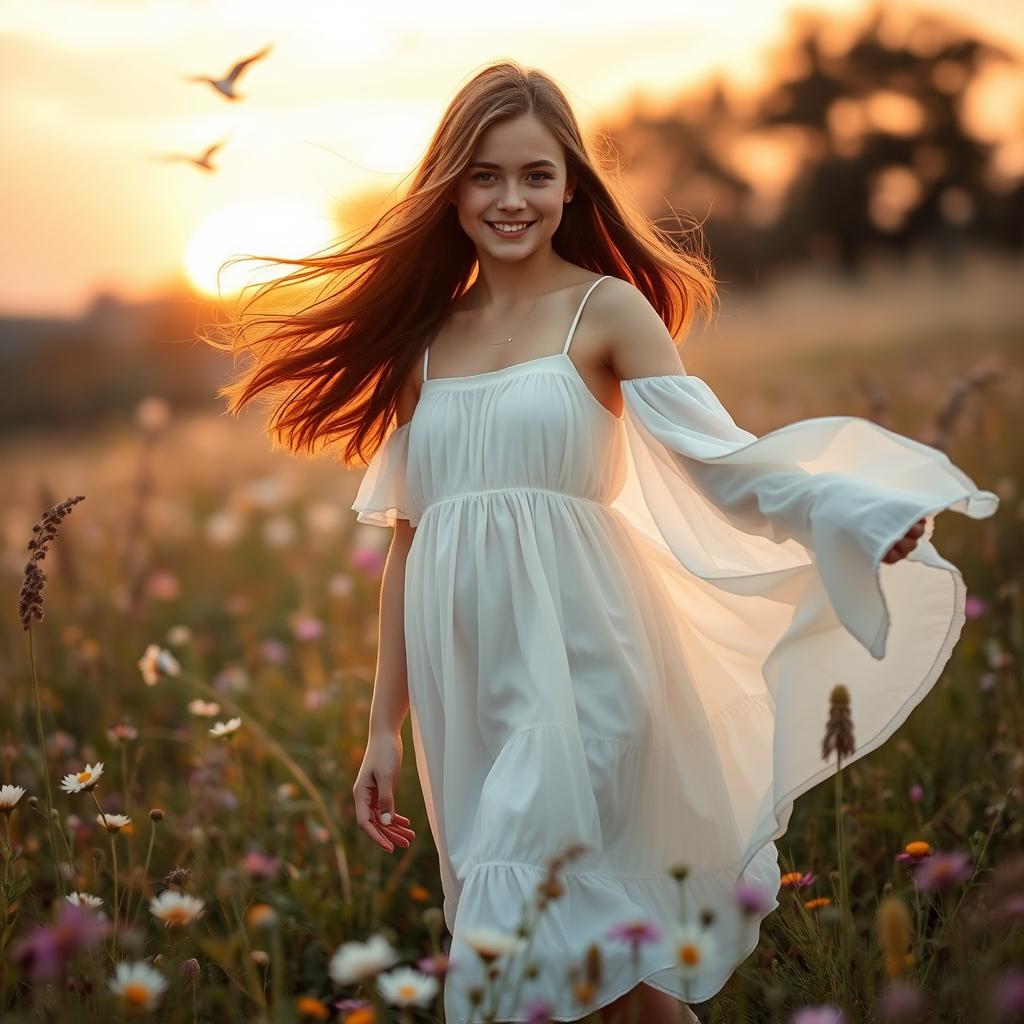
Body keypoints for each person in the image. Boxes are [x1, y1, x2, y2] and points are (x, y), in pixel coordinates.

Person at [208, 61, 999, 1024]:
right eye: (485, 175)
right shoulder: (424, 342)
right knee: (607, 975)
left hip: (586, 667)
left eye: (536, 174)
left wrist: (849, 514)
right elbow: (413, 544)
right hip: (471, 690)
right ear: (450, 185)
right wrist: (383, 728)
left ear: (572, 182)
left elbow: (724, 466)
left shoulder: (604, 311)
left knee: (525, 952)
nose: (512, 199)